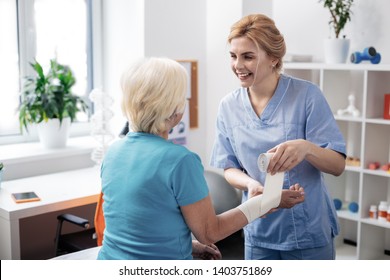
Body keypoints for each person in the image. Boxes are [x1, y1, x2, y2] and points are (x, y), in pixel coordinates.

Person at [97, 57, 305, 260]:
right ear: (173, 107)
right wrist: (265, 203)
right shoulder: (180, 161)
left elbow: (142, 224)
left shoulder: (113, 152)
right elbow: (209, 233)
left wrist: (188, 246)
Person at [210, 14, 346, 260]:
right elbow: (228, 167)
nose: (238, 65)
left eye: (248, 56)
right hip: (258, 229)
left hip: (307, 231)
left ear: (274, 59)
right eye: (233, 56)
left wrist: (306, 148)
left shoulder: (307, 96)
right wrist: (251, 184)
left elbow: (337, 165)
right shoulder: (228, 106)